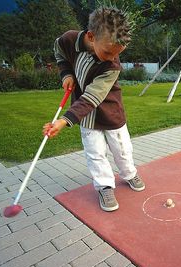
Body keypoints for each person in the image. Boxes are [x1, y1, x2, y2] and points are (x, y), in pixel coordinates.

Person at [43, 6, 145, 212]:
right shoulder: (69, 40)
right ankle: (105, 186)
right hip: (86, 115)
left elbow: (93, 97)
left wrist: (64, 121)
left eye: (117, 54)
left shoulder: (112, 65)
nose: (111, 57)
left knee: (122, 150)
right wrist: (66, 74)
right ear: (91, 36)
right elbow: (59, 52)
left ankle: (129, 173)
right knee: (95, 152)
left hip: (111, 111)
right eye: (107, 52)